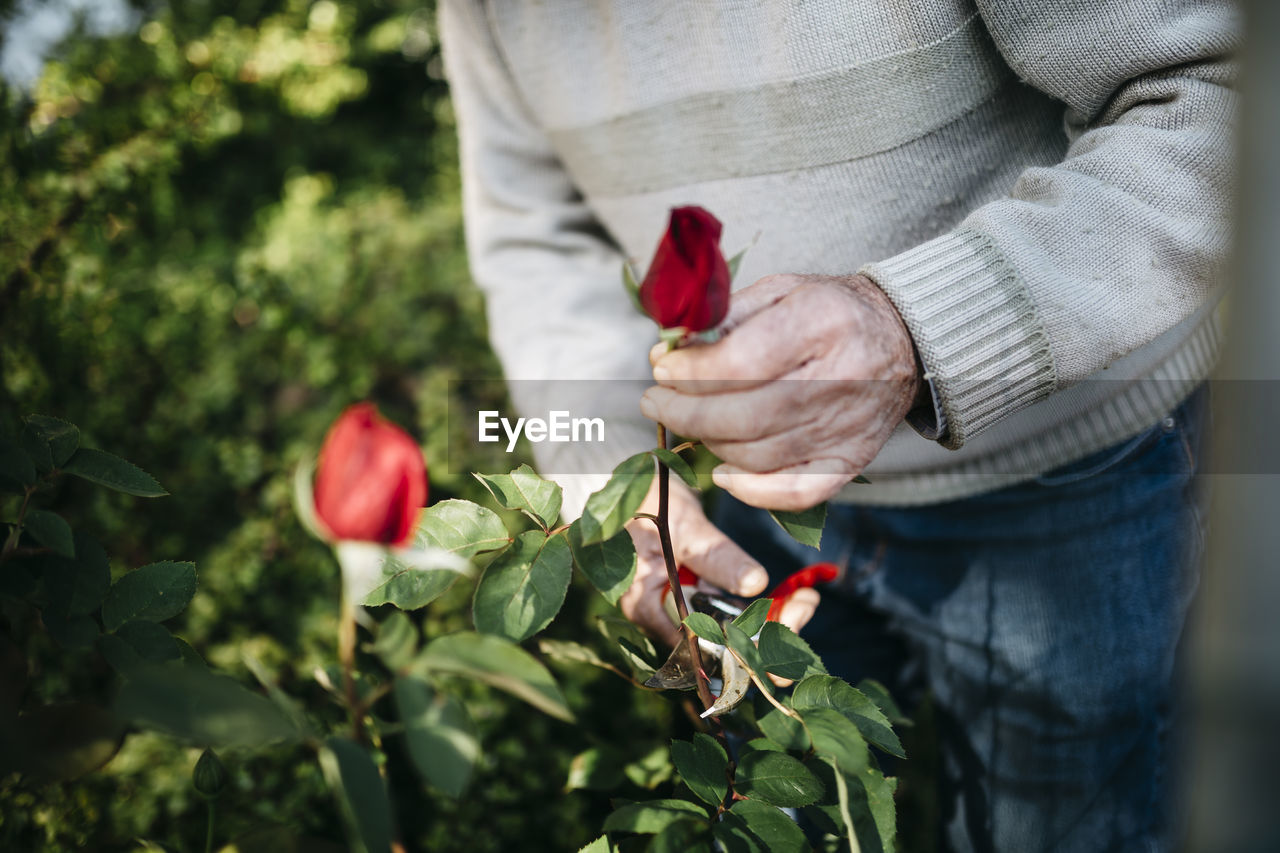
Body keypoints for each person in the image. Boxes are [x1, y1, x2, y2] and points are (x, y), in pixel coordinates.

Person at [439, 2, 1236, 850]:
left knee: (1068, 822)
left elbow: (1219, 97)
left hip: (1066, 473)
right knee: (786, 807)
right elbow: (537, 238)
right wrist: (606, 467)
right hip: (746, 504)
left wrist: (916, 327)